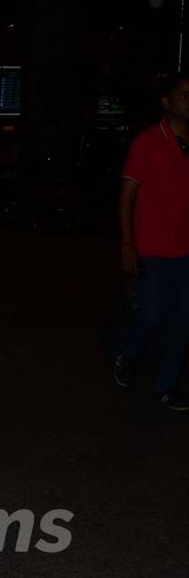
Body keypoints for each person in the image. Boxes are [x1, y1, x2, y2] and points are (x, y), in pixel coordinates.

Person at [114, 73, 189, 409]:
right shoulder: (146, 142)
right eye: (185, 94)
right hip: (152, 249)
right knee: (151, 314)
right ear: (167, 102)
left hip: (185, 250)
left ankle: (166, 387)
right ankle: (127, 355)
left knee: (183, 320)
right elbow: (126, 196)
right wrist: (128, 243)